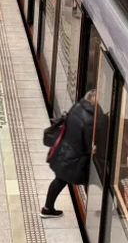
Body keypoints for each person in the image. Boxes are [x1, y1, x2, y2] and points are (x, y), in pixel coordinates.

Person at [41, 90, 97, 218]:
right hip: (75, 159)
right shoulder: (90, 120)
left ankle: (47, 208)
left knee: (60, 180)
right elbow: (89, 145)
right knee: (92, 181)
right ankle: (95, 212)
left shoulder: (77, 106)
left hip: (63, 152)